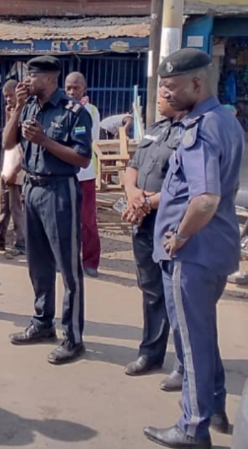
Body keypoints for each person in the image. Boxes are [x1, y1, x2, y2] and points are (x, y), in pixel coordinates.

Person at [143, 49, 242, 449]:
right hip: (213, 250)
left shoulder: (201, 129)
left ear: (197, 84)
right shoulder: (225, 120)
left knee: (191, 340)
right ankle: (213, 407)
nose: (164, 93)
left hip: (192, 254)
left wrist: (179, 237)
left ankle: (192, 427)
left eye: (170, 86)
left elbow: (204, 199)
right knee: (202, 333)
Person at [4, 55, 91, 365]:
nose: (28, 80)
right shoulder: (27, 106)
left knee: (68, 268)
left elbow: (82, 159)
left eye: (34, 76)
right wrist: (15, 109)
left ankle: (73, 337)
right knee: (37, 263)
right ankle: (43, 323)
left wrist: (44, 140)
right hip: (32, 188)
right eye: (28, 74)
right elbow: (6, 143)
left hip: (60, 190)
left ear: (51, 78)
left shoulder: (74, 112)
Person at [121, 87, 185, 381]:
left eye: (162, 95)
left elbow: (186, 187)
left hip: (171, 224)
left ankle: (185, 364)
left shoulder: (189, 133)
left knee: (178, 297)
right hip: (143, 221)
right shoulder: (155, 129)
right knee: (151, 291)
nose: (157, 99)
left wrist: (147, 203)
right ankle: (151, 353)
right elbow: (132, 167)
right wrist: (134, 195)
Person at [64, 72, 102, 277]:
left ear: (84, 89)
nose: (71, 92)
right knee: (64, 220)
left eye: (76, 88)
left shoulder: (91, 111)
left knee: (87, 220)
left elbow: (85, 140)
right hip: (63, 174)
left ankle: (90, 261)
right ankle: (67, 260)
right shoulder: (59, 108)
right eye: (68, 88)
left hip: (85, 175)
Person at [0, 80, 27, 259]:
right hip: (7, 165)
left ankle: (21, 243)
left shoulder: (25, 113)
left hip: (17, 169)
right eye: (5, 96)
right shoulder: (12, 112)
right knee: (4, 206)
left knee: (16, 207)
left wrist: (15, 170)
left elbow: (26, 147)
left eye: (10, 95)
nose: (8, 99)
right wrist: (8, 117)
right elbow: (8, 138)